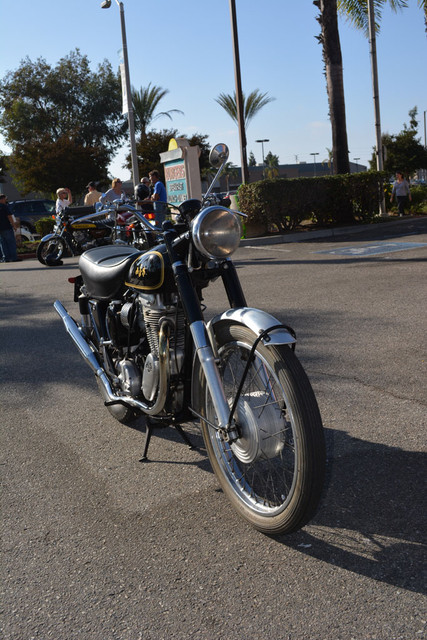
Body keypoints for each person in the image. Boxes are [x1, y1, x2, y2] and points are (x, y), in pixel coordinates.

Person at [0, 194, 21, 262]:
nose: (6, 200)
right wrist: (14, 225)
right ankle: (13, 257)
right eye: (5, 199)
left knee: (3, 244)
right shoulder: (4, 206)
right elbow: (9, 216)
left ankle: (6, 258)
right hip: (6, 227)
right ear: (2, 199)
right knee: (11, 242)